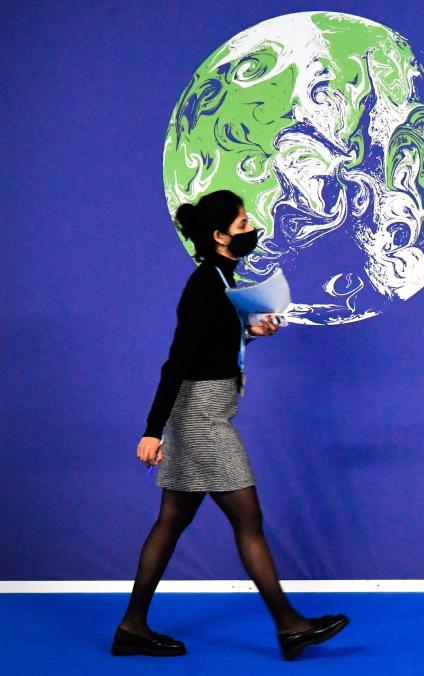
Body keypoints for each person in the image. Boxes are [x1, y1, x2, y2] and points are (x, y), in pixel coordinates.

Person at [111, 189, 348, 661]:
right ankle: (289, 625)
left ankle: (132, 627)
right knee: (249, 521)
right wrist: (152, 430)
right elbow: (177, 362)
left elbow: (209, 347)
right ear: (220, 236)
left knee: (172, 519)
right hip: (200, 418)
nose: (250, 227)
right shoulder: (204, 286)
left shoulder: (222, 278)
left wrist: (249, 332)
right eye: (241, 224)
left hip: (206, 411)